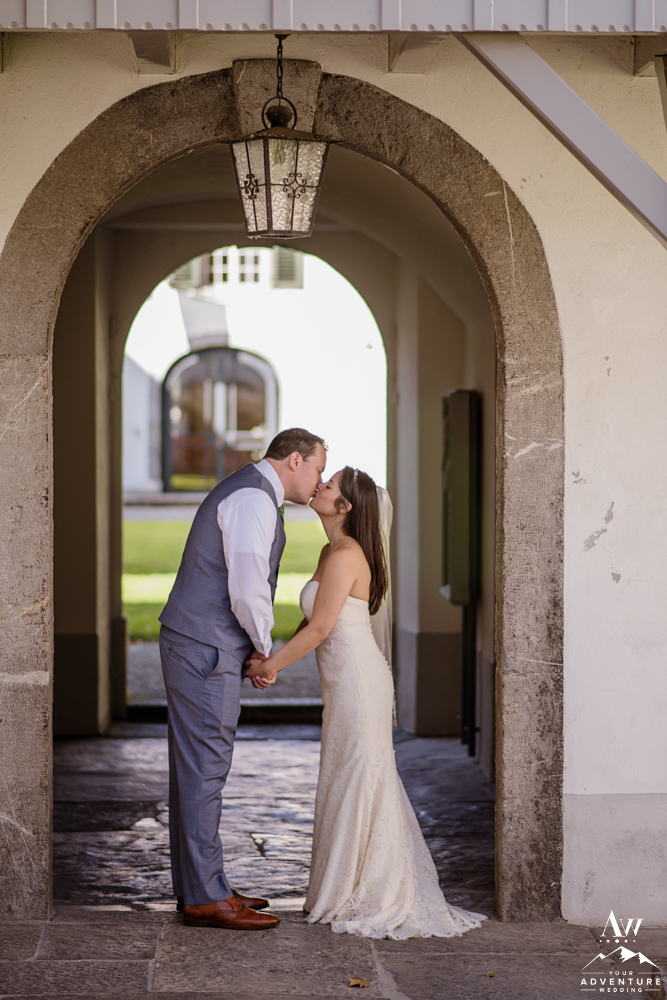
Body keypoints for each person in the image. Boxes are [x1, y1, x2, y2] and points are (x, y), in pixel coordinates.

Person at [246, 467, 487, 939]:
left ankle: (375, 890)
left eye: (330, 485)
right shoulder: (329, 550)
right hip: (343, 682)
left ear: (345, 507)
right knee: (345, 774)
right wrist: (272, 656)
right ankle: (343, 884)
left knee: (362, 775)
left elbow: (319, 632)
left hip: (358, 681)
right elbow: (314, 620)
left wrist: (267, 666)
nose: (319, 485)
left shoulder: (347, 555)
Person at [158, 428, 327, 930]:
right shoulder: (254, 498)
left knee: (197, 770)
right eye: (319, 467)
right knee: (205, 770)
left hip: (197, 642)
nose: (319, 480)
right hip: (205, 647)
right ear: (294, 460)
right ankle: (206, 896)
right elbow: (249, 584)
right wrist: (263, 646)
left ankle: (201, 888)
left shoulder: (251, 490)